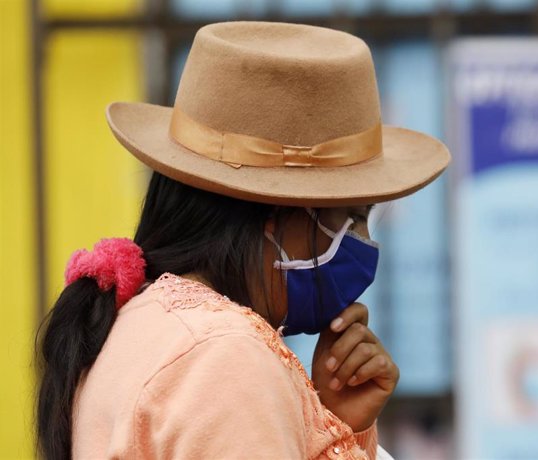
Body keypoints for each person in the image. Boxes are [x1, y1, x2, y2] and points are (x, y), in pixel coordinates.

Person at [35, 21, 449, 459]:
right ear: (276, 215)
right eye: (353, 217)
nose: (363, 242)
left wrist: (337, 423)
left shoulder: (140, 324)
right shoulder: (225, 357)